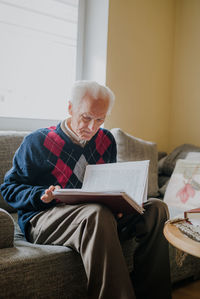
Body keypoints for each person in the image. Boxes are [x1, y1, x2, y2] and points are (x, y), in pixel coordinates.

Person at [0, 81, 172, 299]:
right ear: (71, 108)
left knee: (157, 209)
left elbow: (107, 185)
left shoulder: (106, 140)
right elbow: (9, 188)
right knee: (96, 213)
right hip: (44, 218)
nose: (92, 127)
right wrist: (40, 195)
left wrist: (121, 202)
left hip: (97, 214)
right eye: (86, 117)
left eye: (100, 120)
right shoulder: (38, 141)